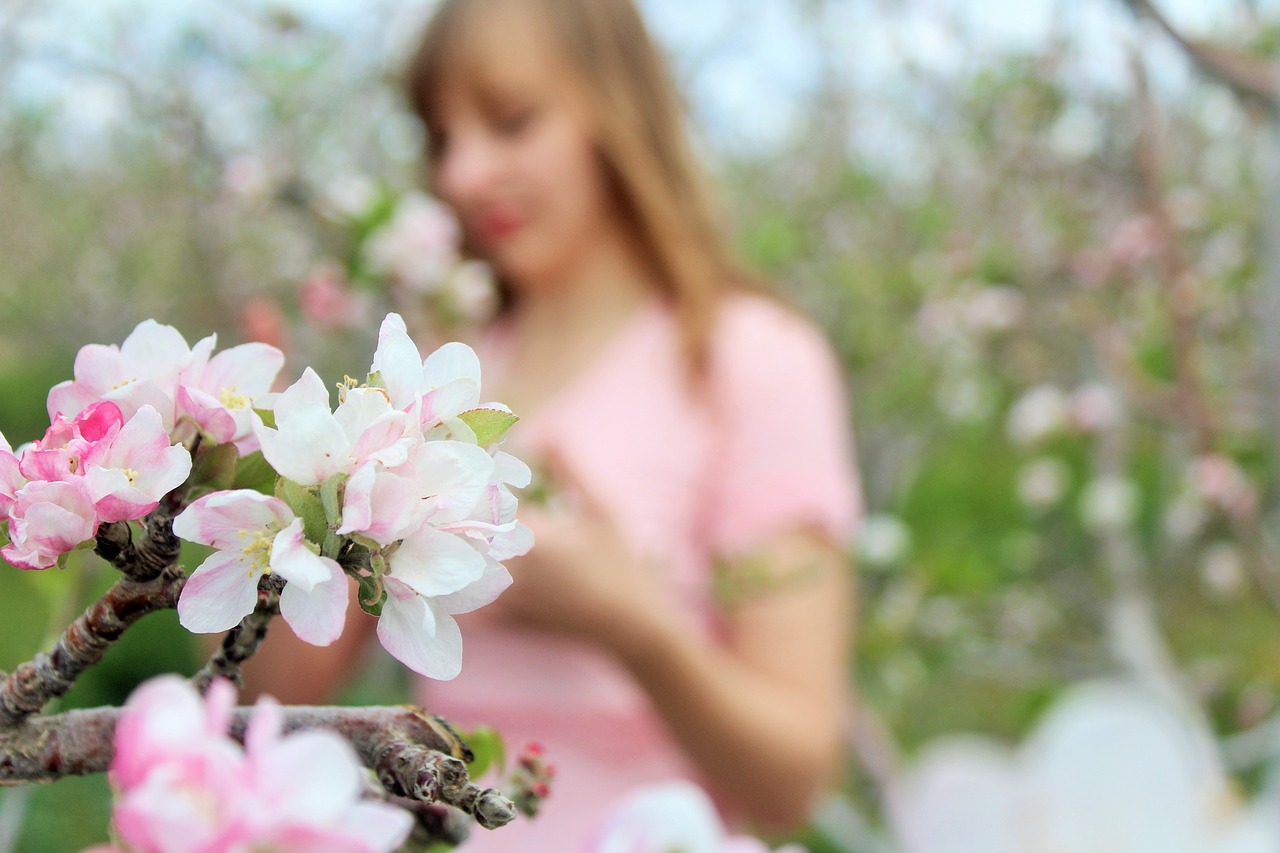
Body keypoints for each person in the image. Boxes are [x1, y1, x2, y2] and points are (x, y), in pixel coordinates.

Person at [244, 0, 862, 847]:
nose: (460, 174)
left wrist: (632, 622)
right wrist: (287, 477)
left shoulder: (749, 357)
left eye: (510, 121)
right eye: (441, 138)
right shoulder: (438, 370)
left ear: (616, 110)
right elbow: (275, 700)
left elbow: (794, 775)